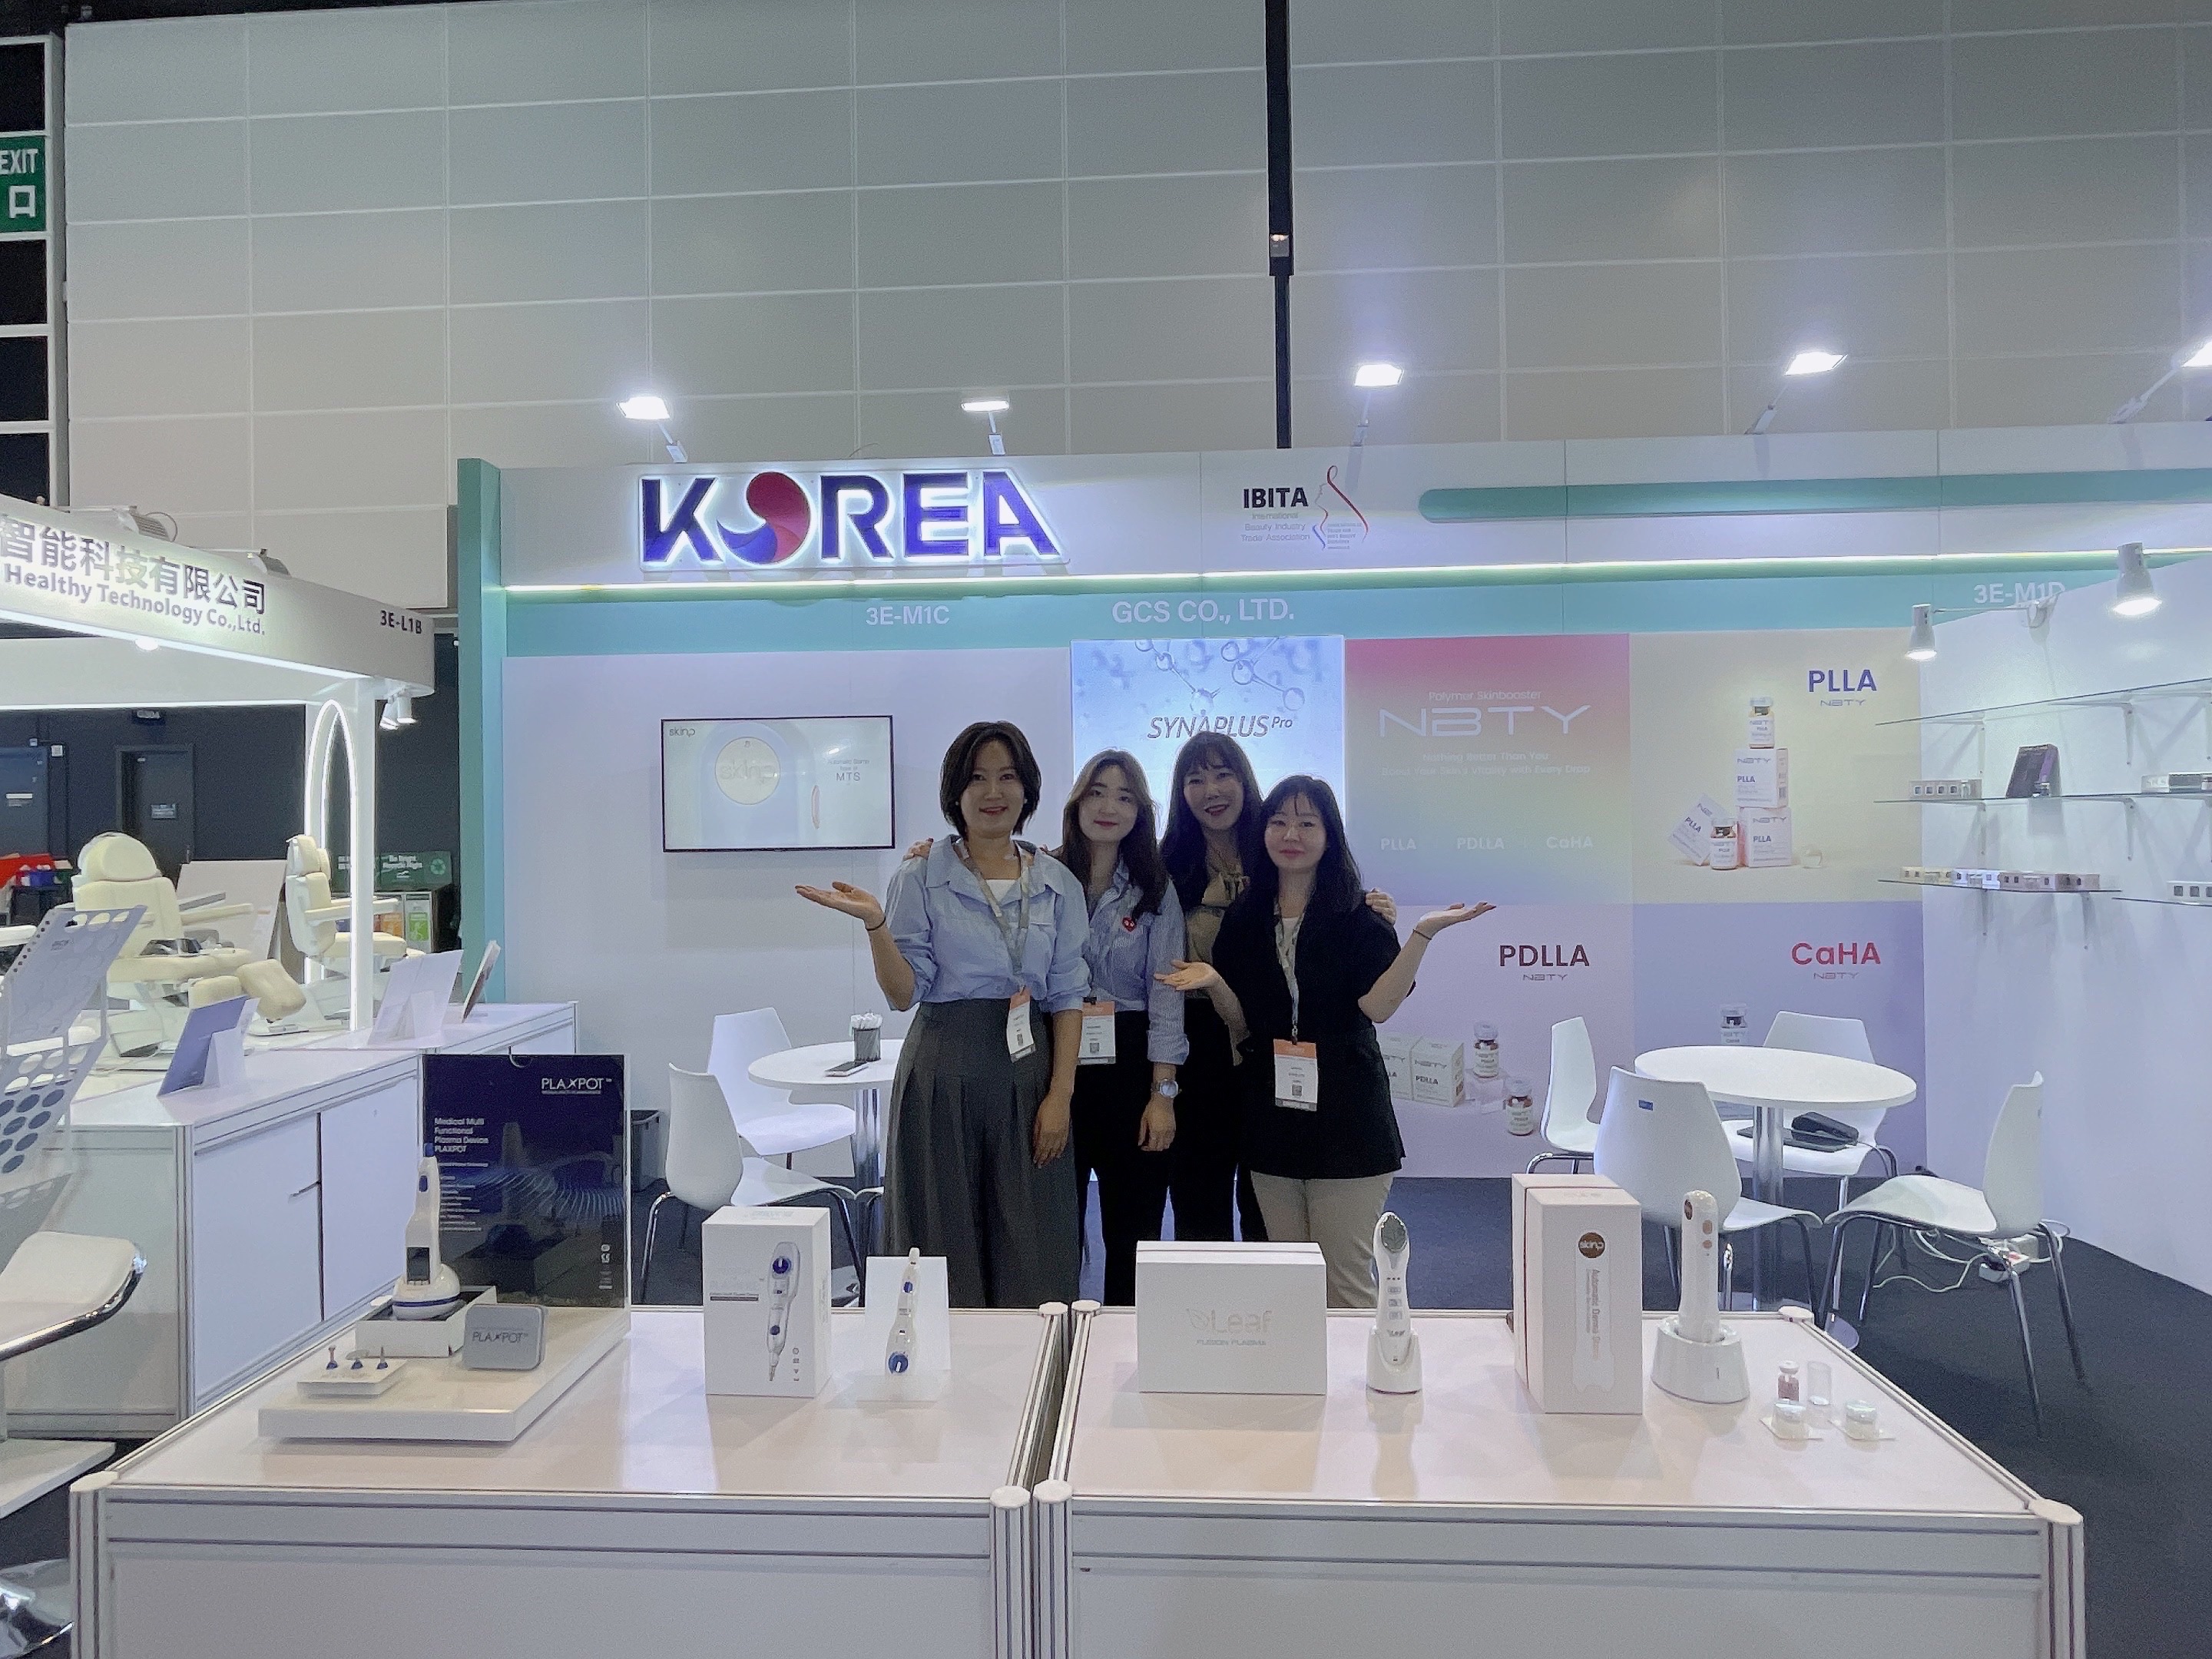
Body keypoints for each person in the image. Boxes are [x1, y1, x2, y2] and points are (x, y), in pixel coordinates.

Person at [1161, 776, 1490, 1307]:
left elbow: (1378, 1007)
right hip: (1272, 1119)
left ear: (1329, 835)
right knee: (1291, 1278)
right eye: (1279, 822)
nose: (1291, 834)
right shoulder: (1245, 918)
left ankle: (1365, 1365)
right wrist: (1215, 982)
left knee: (1343, 1280)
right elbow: (1243, 1027)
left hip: (1347, 1117)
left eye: (1306, 823)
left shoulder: (1358, 915)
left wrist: (1423, 934)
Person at [796, 720, 1087, 1309]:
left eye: (1007, 776)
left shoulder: (1057, 881)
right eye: (976, 778)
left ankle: (1028, 1357)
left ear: (1028, 788)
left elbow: (1068, 995)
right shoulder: (921, 874)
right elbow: (904, 994)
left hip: (1029, 1075)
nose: (993, 791)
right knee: (939, 1235)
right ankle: (938, 1361)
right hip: (941, 1070)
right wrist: (877, 925)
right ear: (955, 791)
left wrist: (1060, 1096)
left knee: (1031, 1237)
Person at [1157, 734, 1396, 1243]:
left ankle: (1272, 1294)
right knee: (1199, 1197)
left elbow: (1333, 909)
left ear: (1245, 781)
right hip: (1195, 1041)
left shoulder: (1277, 846)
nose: (1210, 790)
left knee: (1269, 1209)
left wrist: (1376, 909)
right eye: (1195, 779)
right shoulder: (1168, 866)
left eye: (1222, 774)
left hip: (1270, 1043)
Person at [1054, 750, 1184, 1305]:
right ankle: (1055, 1335)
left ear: (1140, 812)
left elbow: (1168, 997)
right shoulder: (1043, 875)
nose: (1109, 806)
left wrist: (1162, 1095)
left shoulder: (1154, 888)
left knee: (1132, 1228)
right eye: (1098, 792)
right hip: (1054, 1066)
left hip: (1131, 1066)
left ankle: (1125, 1342)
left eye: (1125, 797)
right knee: (1054, 1226)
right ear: (1077, 802)